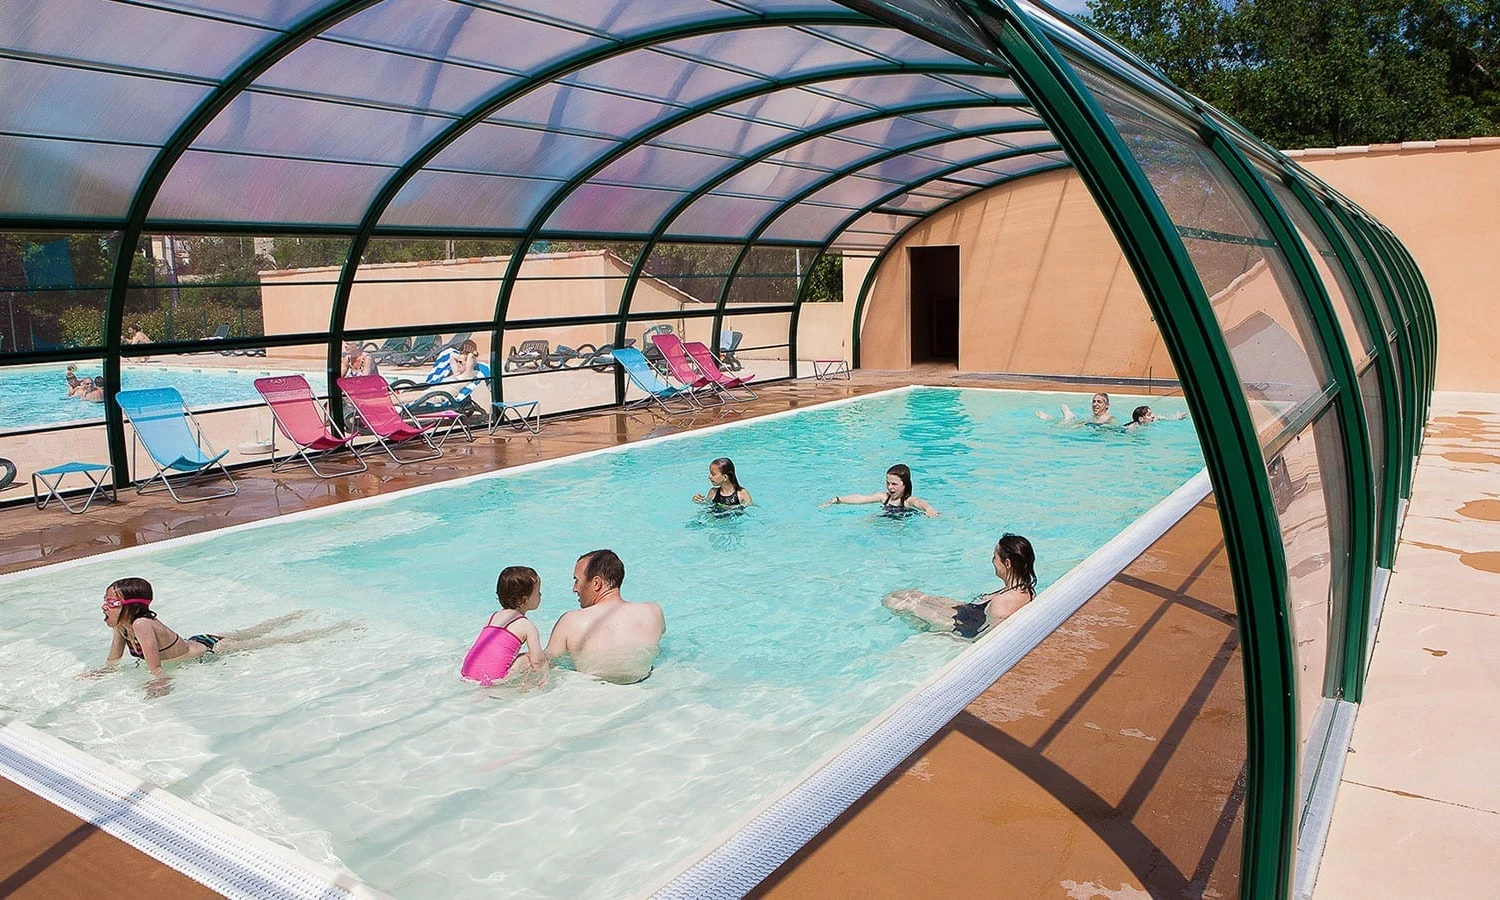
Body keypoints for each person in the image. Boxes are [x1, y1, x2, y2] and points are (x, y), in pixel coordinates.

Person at [87, 577, 350, 693]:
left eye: (112, 603)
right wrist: (102, 672)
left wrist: (160, 682)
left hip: (211, 650)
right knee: (256, 630)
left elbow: (155, 667)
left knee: (273, 641)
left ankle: (327, 629)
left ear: (131, 607)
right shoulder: (122, 627)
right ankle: (296, 614)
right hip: (196, 640)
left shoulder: (142, 625)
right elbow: (113, 660)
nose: (104, 606)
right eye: (105, 600)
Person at [883, 533, 1037, 639]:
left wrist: (942, 635)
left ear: (1008, 564)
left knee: (894, 601)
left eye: (995, 557)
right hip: (972, 612)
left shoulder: (1001, 604)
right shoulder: (1026, 590)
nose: (992, 561)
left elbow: (981, 639)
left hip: (962, 627)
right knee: (907, 594)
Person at [545, 550, 664, 684]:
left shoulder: (570, 621)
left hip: (593, 694)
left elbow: (544, 666)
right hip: (643, 693)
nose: (574, 589)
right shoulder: (653, 612)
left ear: (597, 583)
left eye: (577, 581)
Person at [460, 566, 546, 685]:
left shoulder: (493, 617)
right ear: (525, 599)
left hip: (467, 673)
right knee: (527, 658)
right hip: (494, 680)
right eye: (538, 592)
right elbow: (538, 661)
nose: (540, 595)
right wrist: (544, 678)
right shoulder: (527, 626)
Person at [820, 463, 939, 518]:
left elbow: (919, 502)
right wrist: (838, 499)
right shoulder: (884, 497)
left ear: (905, 485)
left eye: (894, 484)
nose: (890, 487)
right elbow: (860, 499)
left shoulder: (907, 501)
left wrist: (929, 509)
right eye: (888, 483)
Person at [1036, 392, 1117, 427]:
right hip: (1089, 426)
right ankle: (1054, 419)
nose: (1095, 404)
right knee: (1066, 427)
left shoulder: (1110, 419)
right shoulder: (1092, 417)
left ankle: (1053, 419)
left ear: (1106, 405)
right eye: (1094, 401)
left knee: (1067, 427)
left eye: (1099, 402)